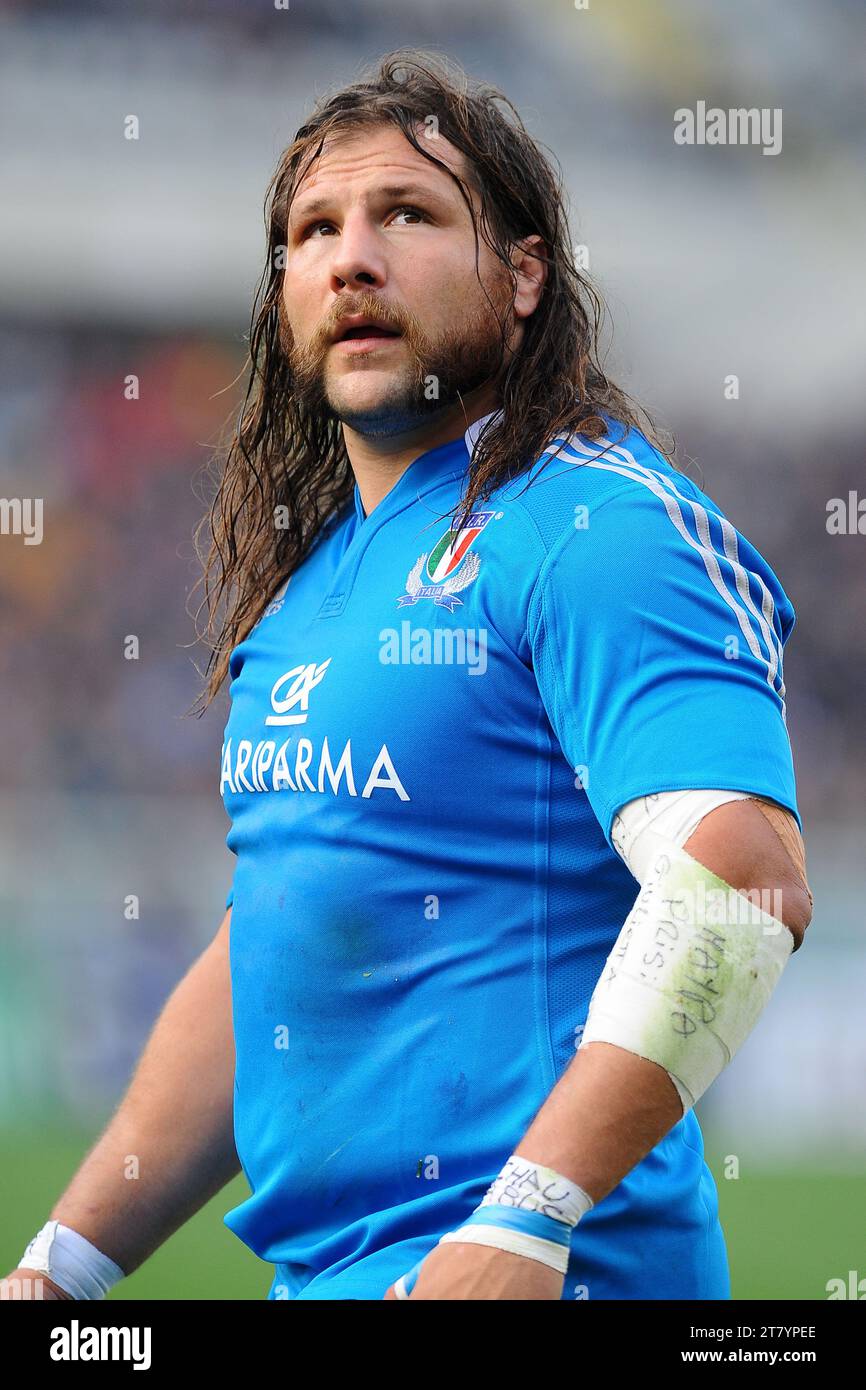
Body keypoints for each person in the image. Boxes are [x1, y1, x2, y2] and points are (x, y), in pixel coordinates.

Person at [5, 50, 811, 1303]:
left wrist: (523, 1223)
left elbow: (737, 884)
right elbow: (278, 940)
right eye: (313, 231)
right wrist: (63, 1265)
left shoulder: (597, 525)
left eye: (408, 216)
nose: (350, 258)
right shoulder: (317, 578)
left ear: (525, 275)